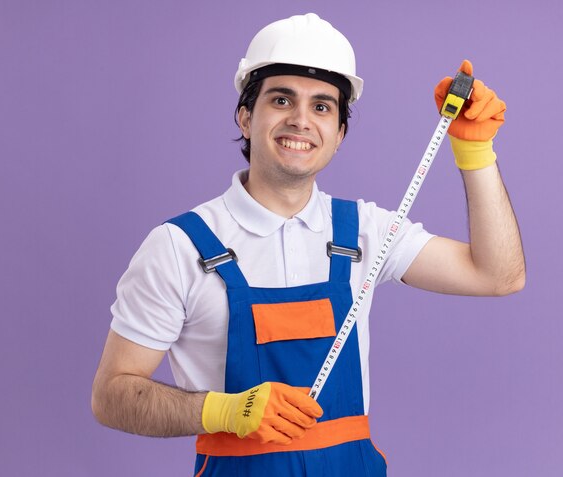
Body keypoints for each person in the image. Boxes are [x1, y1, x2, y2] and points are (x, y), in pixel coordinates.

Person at [91, 12, 525, 477]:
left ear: (339, 133)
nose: (301, 121)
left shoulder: (365, 232)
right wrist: (222, 411)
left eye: (322, 107)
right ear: (245, 115)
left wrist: (476, 152)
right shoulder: (178, 247)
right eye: (282, 100)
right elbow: (112, 396)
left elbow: (498, 275)